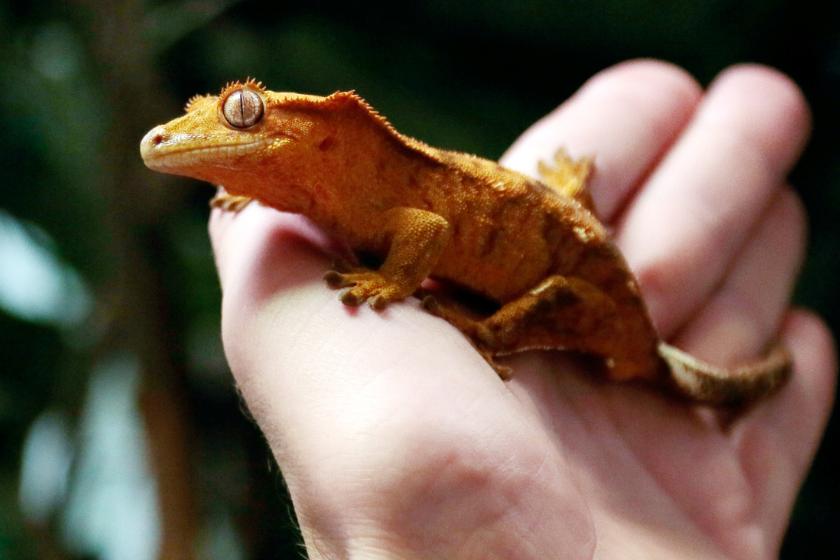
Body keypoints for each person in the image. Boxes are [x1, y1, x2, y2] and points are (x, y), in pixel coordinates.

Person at [208, 60, 836, 559]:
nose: (182, 133)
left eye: (240, 113)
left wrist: (411, 293)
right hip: (566, 255)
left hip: (585, 291)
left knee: (563, 295)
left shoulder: (372, 195)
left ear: (321, 135)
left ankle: (497, 334)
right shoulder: (339, 193)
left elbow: (424, 230)